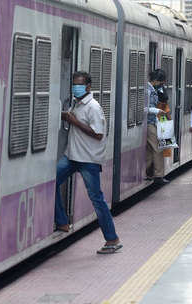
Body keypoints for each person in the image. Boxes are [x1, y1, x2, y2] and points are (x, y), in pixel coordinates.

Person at [55, 71, 122, 254]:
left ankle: (112, 239)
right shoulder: (77, 104)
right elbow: (71, 119)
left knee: (97, 199)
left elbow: (98, 133)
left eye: (79, 84)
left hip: (88, 160)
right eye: (74, 84)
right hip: (72, 156)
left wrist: (73, 121)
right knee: (50, 182)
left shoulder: (93, 107)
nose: (75, 87)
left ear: (88, 87)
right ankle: (61, 222)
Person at [146, 69, 168, 185]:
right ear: (155, 80)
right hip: (149, 123)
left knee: (150, 150)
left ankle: (146, 172)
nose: (162, 85)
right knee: (158, 147)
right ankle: (158, 175)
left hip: (153, 122)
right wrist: (158, 111)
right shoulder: (148, 91)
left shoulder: (153, 89)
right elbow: (145, 108)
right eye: (161, 82)